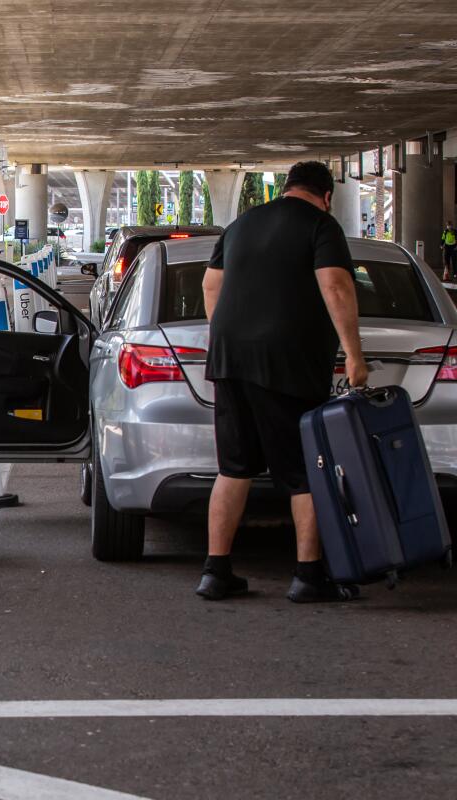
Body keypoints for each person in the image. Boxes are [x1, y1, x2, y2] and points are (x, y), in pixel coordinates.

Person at [199, 160, 368, 604]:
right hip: (286, 364)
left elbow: (211, 284)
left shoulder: (241, 224)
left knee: (234, 467)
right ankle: (308, 577)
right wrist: (354, 355)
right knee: (302, 472)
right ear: (326, 195)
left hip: (229, 360)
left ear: (288, 187)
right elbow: (335, 286)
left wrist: (228, 333)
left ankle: (216, 572)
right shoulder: (321, 226)